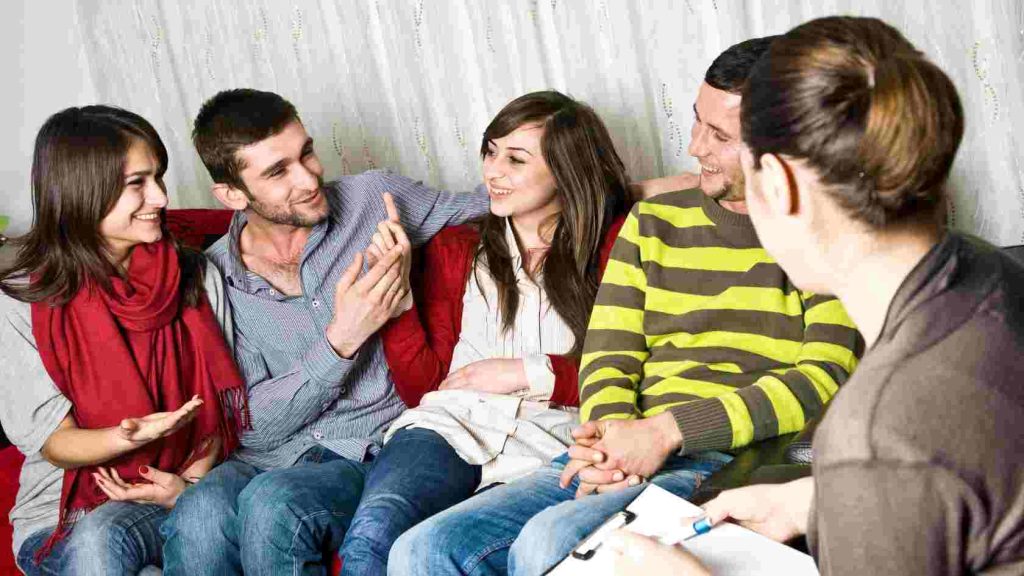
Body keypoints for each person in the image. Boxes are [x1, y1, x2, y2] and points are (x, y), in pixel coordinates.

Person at [389, 36, 863, 576]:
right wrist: (612, 435)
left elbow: (822, 379)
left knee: (551, 541)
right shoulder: (653, 223)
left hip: (731, 460)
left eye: (720, 135)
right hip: (626, 445)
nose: (694, 147)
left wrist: (666, 433)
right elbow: (609, 354)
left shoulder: (827, 230)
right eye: (697, 122)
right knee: (422, 549)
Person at [608, 15, 1024, 575]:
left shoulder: (878, 427)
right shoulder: (991, 275)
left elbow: (911, 458)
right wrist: (814, 500)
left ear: (778, 184)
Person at [159, 88, 493, 576]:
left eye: (307, 152)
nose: (309, 177)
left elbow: (497, 205)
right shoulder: (214, 279)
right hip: (267, 456)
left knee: (275, 503)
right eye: (278, 171)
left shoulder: (374, 201)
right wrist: (342, 340)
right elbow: (251, 422)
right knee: (197, 515)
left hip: (368, 446)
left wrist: (615, 188)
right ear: (232, 196)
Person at [0, 105, 245, 575]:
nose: (160, 196)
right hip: (62, 516)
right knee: (100, 536)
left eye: (159, 177)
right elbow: (54, 442)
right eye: (138, 183)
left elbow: (218, 409)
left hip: (174, 494)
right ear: (83, 189)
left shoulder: (196, 276)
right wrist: (125, 436)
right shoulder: (22, 301)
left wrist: (188, 483)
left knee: (125, 533)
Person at [379, 91, 629, 497]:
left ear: (567, 170)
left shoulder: (616, 244)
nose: (492, 172)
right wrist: (399, 300)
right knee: (376, 527)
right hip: (447, 428)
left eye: (515, 159)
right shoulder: (454, 248)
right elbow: (424, 388)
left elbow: (638, 374)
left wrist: (524, 372)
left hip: (555, 442)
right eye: (490, 153)